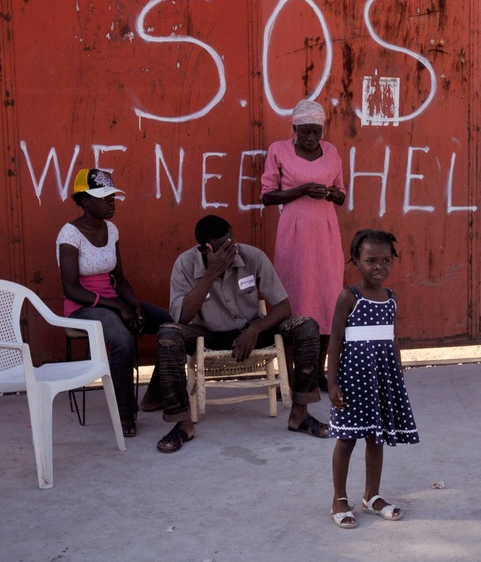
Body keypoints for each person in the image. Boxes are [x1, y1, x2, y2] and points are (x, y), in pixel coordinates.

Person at [153, 215, 328, 453]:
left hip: (252, 332)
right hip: (207, 335)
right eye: (223, 248)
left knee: (306, 326)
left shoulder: (253, 257)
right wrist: (211, 274)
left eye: (232, 242)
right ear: (205, 250)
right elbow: (182, 317)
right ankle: (183, 424)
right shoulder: (184, 264)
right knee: (167, 335)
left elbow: (283, 308)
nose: (232, 250)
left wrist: (254, 329)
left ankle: (300, 414)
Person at [56, 168, 172, 437]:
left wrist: (134, 305)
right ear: (85, 201)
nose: (111, 202)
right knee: (122, 338)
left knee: (170, 324)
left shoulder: (112, 230)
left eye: (113, 197)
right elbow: (71, 289)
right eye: (104, 197)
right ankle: (125, 414)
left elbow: (119, 278)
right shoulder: (69, 234)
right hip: (83, 307)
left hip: (111, 301)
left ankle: (156, 392)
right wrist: (118, 306)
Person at [327, 229, 419, 528]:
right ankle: (339, 498)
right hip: (353, 381)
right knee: (346, 439)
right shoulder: (349, 297)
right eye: (370, 261)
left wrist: (397, 373)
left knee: (375, 438)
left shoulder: (391, 299)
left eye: (385, 260)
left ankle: (372, 496)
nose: (379, 267)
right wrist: (331, 382)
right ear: (356, 262)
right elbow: (335, 341)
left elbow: (392, 339)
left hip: (381, 380)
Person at [261, 99, 346, 390]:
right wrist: (301, 191)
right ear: (294, 128)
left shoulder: (331, 152)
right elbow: (267, 196)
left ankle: (317, 372)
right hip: (294, 235)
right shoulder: (279, 150)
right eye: (305, 131)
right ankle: (290, 373)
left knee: (327, 300)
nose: (311, 138)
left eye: (316, 132)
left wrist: (330, 193)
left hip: (326, 236)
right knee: (294, 300)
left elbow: (342, 195)